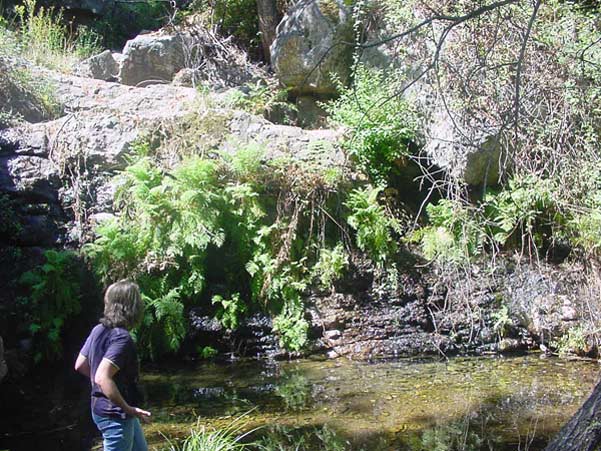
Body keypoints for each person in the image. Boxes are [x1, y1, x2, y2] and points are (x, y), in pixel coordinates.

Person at [75, 280, 151, 451]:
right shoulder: (122, 338)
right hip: (116, 414)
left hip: (102, 408)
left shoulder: (99, 329)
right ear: (132, 307)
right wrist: (128, 408)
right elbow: (102, 377)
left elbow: (80, 365)